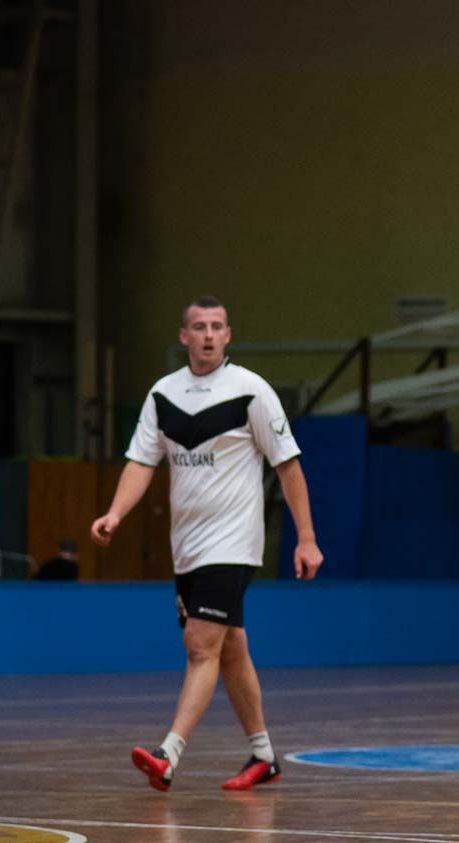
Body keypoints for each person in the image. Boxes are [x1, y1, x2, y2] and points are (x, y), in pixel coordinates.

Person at [91, 295, 323, 792]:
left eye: (217, 326)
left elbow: (288, 466)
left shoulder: (250, 391)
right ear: (184, 336)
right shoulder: (164, 394)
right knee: (230, 646)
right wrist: (115, 513)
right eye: (199, 327)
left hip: (234, 543)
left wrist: (306, 538)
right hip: (189, 548)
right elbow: (141, 462)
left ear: (228, 335)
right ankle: (263, 755)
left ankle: (168, 754)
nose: (209, 335)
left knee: (200, 645)